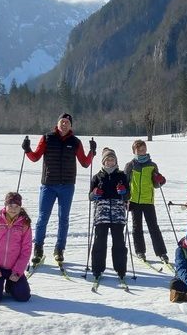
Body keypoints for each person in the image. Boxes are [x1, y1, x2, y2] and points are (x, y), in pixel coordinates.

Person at [22, 113, 96, 265]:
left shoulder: (75, 142)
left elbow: (85, 163)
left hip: (67, 186)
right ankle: (38, 248)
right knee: (43, 218)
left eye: (67, 122)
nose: (64, 124)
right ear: (57, 123)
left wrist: (92, 152)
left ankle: (59, 249)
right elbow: (35, 157)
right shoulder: (47, 138)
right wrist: (27, 149)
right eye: (62, 122)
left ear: (71, 125)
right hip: (48, 185)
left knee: (64, 219)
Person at [124, 139, 169, 264]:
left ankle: (161, 252)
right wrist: (125, 198)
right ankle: (140, 251)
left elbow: (156, 184)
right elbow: (125, 183)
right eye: (139, 150)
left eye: (143, 149)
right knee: (136, 227)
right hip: (134, 201)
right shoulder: (130, 165)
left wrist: (160, 180)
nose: (142, 152)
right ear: (134, 151)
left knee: (153, 227)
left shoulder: (152, 165)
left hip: (148, 200)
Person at [89, 147, 130, 282]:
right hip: (102, 213)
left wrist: (124, 192)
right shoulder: (97, 177)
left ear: (115, 161)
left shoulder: (122, 175)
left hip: (118, 213)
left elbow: (128, 195)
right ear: (103, 161)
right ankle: (97, 269)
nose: (110, 162)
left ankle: (121, 269)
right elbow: (90, 197)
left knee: (119, 242)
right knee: (100, 241)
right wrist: (95, 193)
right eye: (107, 160)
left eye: (112, 160)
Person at [0, 192, 32, 303]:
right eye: (10, 205)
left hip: (14, 269)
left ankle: (11, 284)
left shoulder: (25, 224)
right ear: (5, 205)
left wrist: (18, 272)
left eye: (16, 206)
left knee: (23, 297)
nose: (13, 209)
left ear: (20, 207)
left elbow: (26, 250)